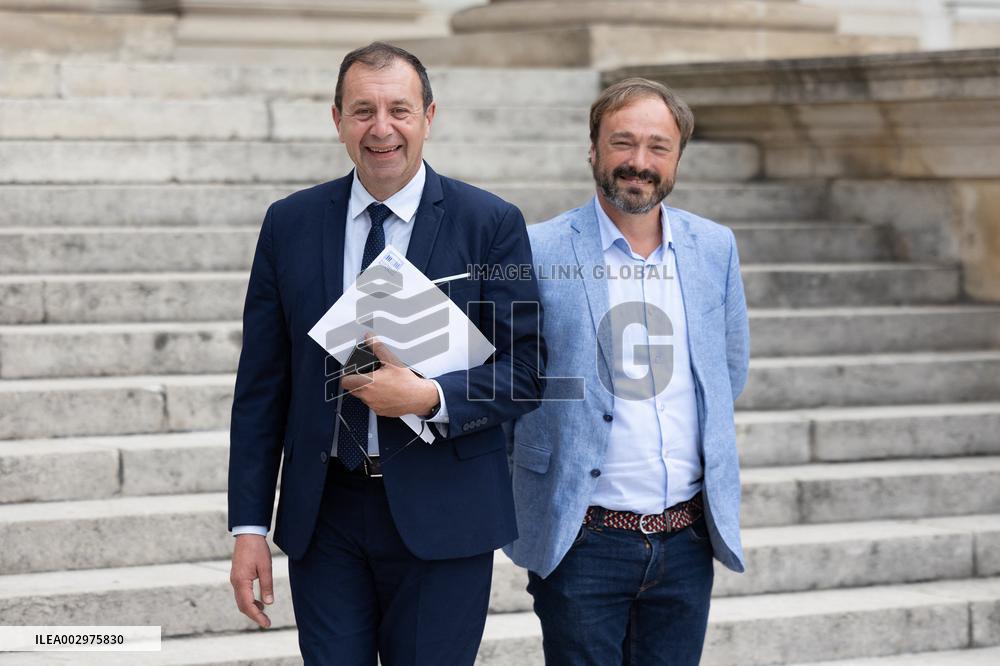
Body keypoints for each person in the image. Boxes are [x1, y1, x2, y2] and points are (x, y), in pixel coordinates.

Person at [227, 42, 545, 665]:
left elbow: (528, 373)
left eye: (399, 109)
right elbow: (261, 388)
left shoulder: (490, 223)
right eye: (362, 110)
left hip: (445, 514)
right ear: (337, 119)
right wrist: (248, 528)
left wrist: (430, 397)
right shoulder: (288, 223)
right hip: (327, 517)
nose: (381, 129)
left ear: (429, 116)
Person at [505, 77, 750, 665]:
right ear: (593, 149)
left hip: (687, 541)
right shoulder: (537, 250)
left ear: (677, 158)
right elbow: (502, 375)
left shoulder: (714, 248)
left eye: (658, 147)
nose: (638, 162)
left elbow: (728, 370)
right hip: (583, 538)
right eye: (623, 143)